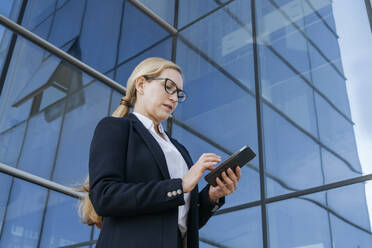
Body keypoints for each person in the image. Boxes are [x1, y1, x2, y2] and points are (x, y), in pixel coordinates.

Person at [78, 57, 242, 248]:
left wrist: (212, 196)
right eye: (169, 87)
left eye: (179, 93)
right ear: (141, 84)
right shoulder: (115, 128)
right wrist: (180, 185)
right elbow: (105, 196)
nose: (174, 98)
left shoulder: (179, 149)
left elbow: (184, 222)